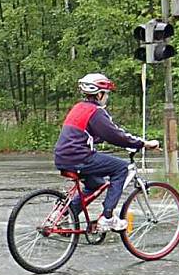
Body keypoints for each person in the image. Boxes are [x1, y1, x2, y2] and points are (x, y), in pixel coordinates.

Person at [53, 73, 160, 232]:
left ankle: (65, 214)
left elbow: (90, 135)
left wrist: (108, 141)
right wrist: (144, 143)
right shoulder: (95, 111)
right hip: (79, 157)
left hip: (63, 157)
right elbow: (115, 135)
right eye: (106, 94)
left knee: (96, 183)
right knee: (121, 168)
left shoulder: (79, 108)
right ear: (99, 94)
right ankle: (107, 217)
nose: (107, 98)